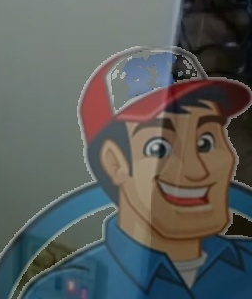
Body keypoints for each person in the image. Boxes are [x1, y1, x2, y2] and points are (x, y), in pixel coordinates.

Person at [21, 47, 252, 298]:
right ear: (114, 163)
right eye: (159, 147)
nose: (197, 171)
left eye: (205, 142)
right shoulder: (59, 293)